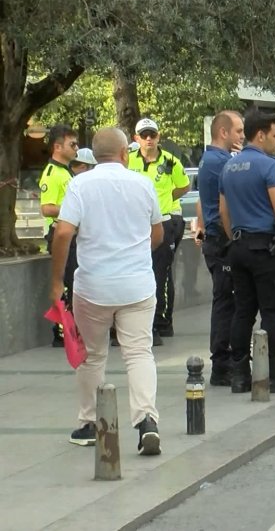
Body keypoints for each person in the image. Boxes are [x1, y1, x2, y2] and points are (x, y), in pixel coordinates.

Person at [50, 127, 164, 456]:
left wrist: (56, 281)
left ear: (94, 155)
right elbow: (157, 233)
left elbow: (63, 233)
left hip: (93, 287)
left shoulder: (79, 184)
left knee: (92, 354)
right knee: (139, 353)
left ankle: (89, 424)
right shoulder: (143, 184)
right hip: (137, 285)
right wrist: (135, 254)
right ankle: (146, 422)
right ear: (125, 153)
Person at [219, 110, 275, 394]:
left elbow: (224, 212)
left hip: (239, 247)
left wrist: (235, 238)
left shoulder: (229, 167)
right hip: (267, 249)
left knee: (243, 311)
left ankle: (240, 375)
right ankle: (271, 374)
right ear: (260, 135)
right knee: (272, 311)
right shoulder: (270, 166)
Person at [128, 118, 190, 344]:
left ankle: (161, 322)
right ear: (136, 138)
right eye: (144, 135)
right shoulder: (128, 160)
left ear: (158, 137)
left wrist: (163, 200)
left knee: (160, 272)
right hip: (135, 223)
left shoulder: (170, 162)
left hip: (162, 222)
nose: (148, 139)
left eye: (152, 135)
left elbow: (184, 186)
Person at [194, 111, 244, 386]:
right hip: (222, 241)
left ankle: (227, 360)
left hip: (217, 238)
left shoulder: (214, 159)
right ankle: (223, 363)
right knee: (227, 302)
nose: (242, 136)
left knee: (228, 301)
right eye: (238, 131)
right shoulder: (220, 162)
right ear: (223, 132)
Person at [39, 124, 79, 348]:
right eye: (72, 144)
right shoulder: (52, 173)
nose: (76, 148)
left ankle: (72, 330)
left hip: (71, 233)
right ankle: (62, 332)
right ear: (57, 147)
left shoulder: (66, 171)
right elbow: (47, 208)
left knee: (74, 283)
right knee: (65, 283)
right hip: (59, 234)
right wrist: (73, 210)